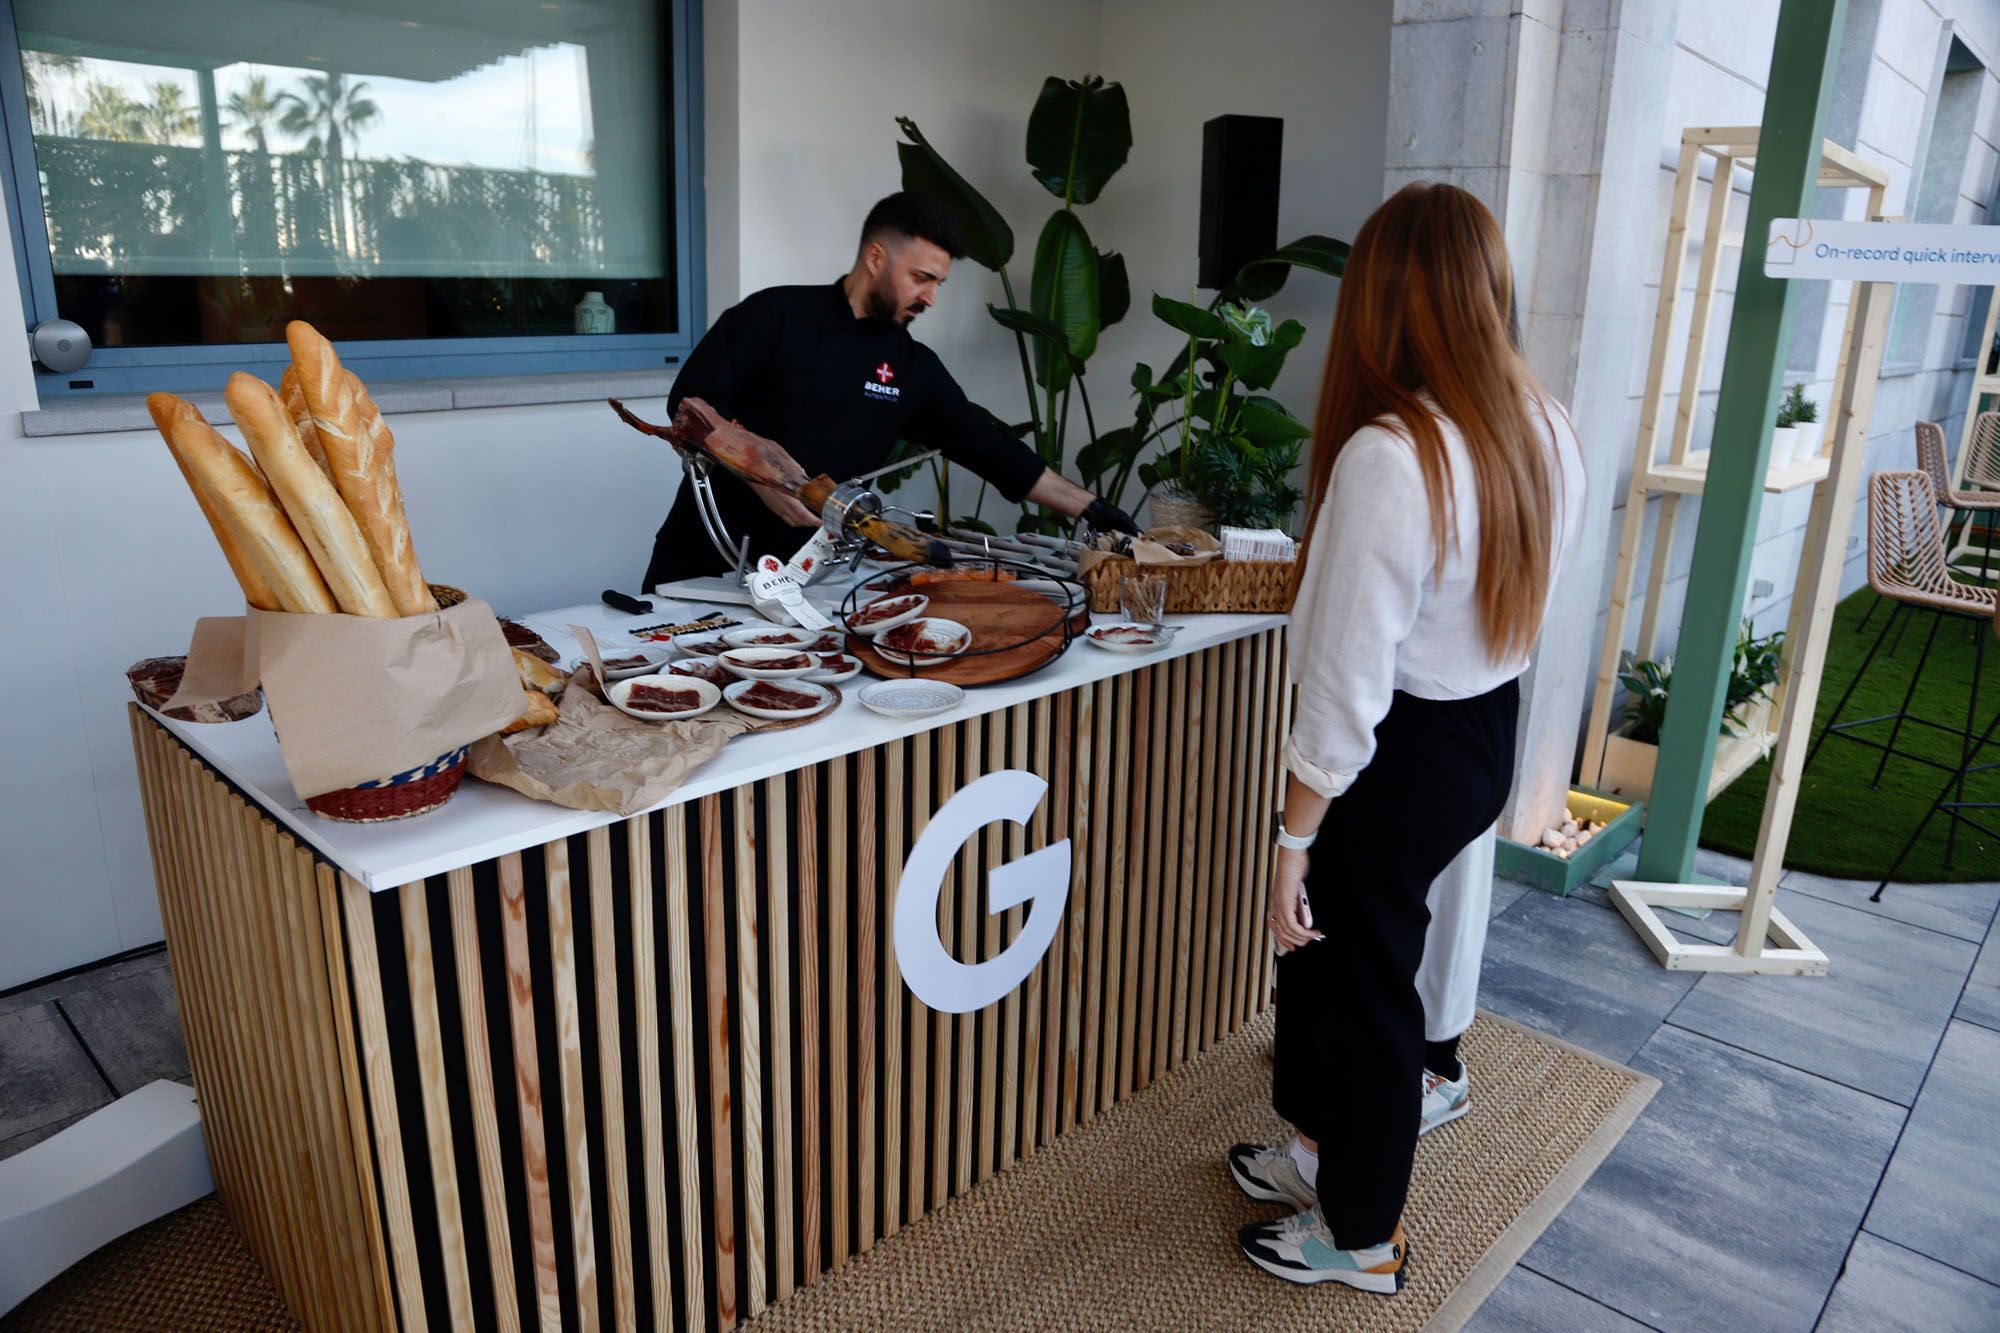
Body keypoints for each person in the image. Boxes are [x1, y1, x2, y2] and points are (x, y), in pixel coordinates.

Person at [1226, 182, 1586, 1294]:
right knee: (1352, 972)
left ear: (1380, 298)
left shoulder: (1395, 455)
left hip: (1396, 754)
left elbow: (1343, 681)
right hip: (1478, 732)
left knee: (1364, 988)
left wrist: (1293, 838)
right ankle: (1322, 1160)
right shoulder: (1540, 423)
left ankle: (1364, 1236)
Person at [642, 190, 1137, 586]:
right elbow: (691, 404)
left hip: (808, 579)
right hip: (703, 562)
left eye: (940, 283)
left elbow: (994, 451)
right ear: (876, 257)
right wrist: (765, 482)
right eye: (922, 278)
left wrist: (1092, 508)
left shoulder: (912, 368)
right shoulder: (775, 315)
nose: (931, 297)